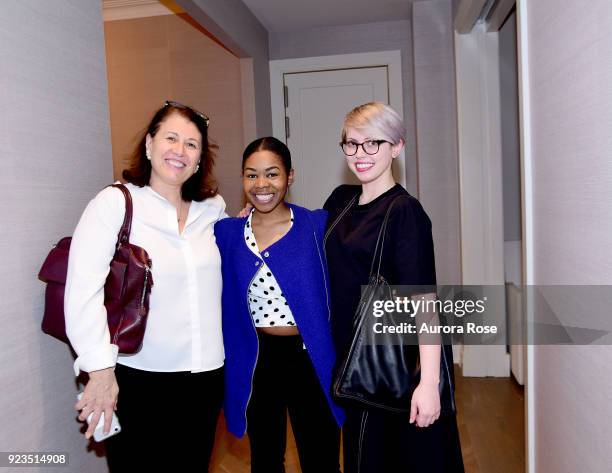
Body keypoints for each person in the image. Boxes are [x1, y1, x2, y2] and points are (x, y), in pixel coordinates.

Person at [65, 101, 226, 471]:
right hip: (138, 376)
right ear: (150, 144)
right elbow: (82, 290)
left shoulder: (212, 209)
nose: (179, 150)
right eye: (171, 138)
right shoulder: (116, 203)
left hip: (205, 376)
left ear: (200, 158)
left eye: (191, 144)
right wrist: (100, 372)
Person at [323, 102, 465, 472]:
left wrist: (430, 383)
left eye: (373, 143)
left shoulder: (405, 212)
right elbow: (302, 239)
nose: (360, 154)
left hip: (383, 366)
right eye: (351, 144)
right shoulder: (341, 201)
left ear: (396, 147)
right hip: (346, 360)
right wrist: (255, 218)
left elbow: (425, 302)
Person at [214, 137, 344, 473]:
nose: (262, 185)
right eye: (251, 175)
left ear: (290, 176)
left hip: (311, 359)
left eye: (272, 174)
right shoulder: (227, 233)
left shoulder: (318, 226)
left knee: (321, 456)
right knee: (266, 458)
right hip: (257, 359)